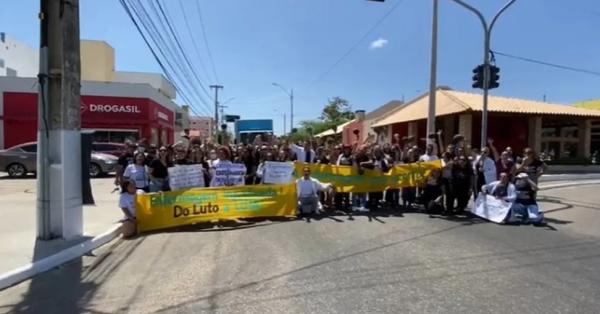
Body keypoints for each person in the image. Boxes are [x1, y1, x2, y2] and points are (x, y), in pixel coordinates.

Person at [335, 144, 354, 212]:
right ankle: (338, 207)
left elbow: (354, 166)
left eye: (348, 149)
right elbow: (337, 164)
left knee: (347, 192)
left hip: (348, 177)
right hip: (341, 176)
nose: (347, 150)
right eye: (345, 149)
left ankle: (346, 206)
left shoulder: (352, 157)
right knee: (339, 192)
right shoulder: (341, 156)